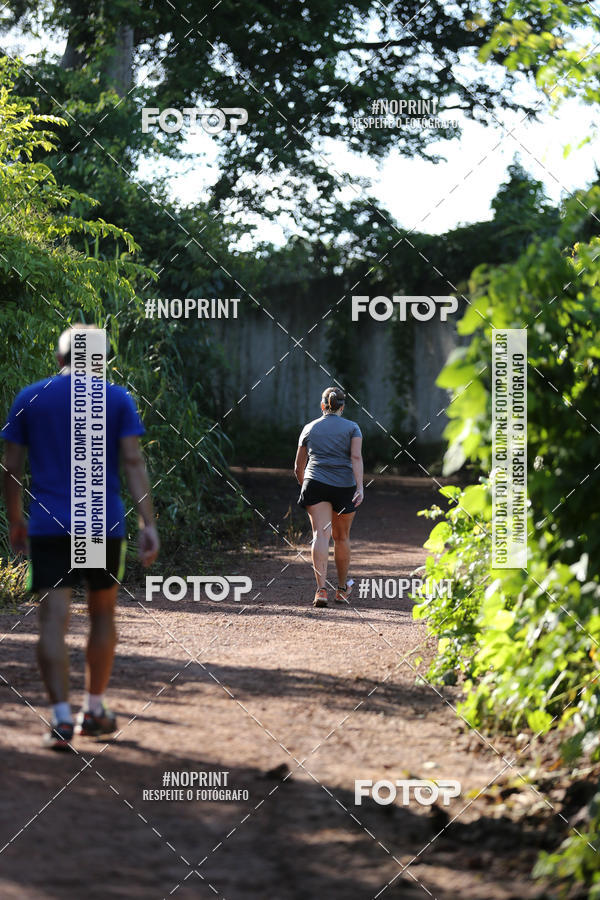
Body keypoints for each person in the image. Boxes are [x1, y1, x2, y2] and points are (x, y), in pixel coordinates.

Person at [2, 324, 159, 751]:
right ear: (103, 361)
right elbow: (132, 459)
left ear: (60, 358)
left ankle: (59, 719)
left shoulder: (30, 397)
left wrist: (16, 520)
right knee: (102, 612)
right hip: (100, 525)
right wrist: (148, 523)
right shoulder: (117, 398)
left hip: (50, 526)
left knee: (53, 618)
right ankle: (95, 709)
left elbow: (11, 468)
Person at [294, 386, 363, 608]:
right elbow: (355, 457)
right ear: (342, 407)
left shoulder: (309, 428)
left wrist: (306, 484)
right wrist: (360, 487)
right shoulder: (353, 428)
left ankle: (321, 590)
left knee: (320, 536)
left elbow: (298, 467)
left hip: (315, 483)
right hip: (344, 487)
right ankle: (342, 590)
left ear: (323, 406)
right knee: (341, 538)